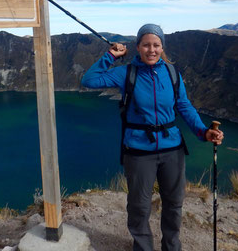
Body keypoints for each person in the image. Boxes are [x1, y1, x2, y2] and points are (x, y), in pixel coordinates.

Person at [81, 23, 224, 251]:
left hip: (172, 149)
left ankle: (171, 247)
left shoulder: (172, 73)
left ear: (162, 46)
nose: (151, 50)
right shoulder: (127, 73)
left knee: (174, 204)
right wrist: (111, 55)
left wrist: (203, 132)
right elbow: (89, 80)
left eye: (156, 45)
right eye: (146, 45)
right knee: (139, 206)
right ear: (137, 47)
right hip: (138, 151)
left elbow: (184, 106)